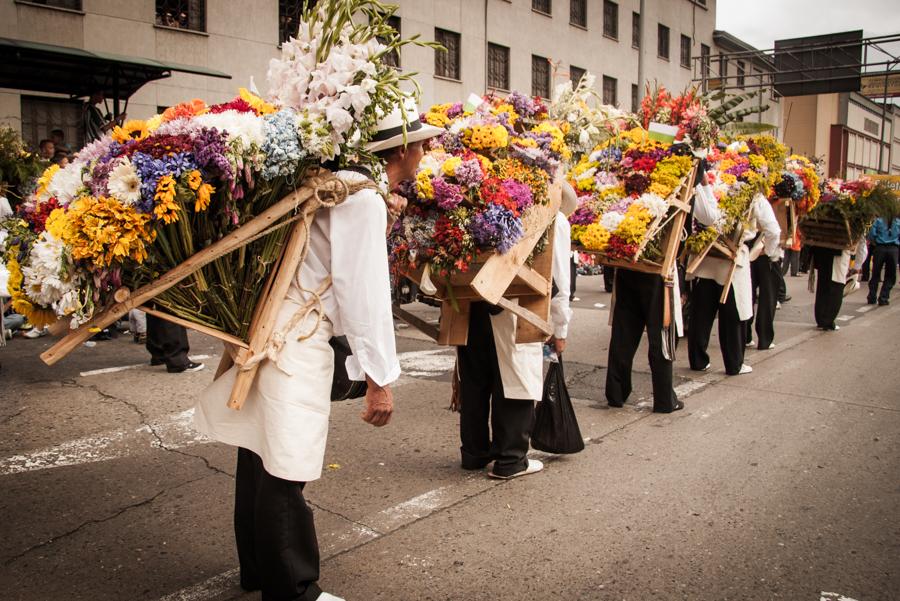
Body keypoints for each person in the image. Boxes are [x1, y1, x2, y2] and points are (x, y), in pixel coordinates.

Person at [193, 99, 442, 601]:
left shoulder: (327, 178)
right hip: (299, 336)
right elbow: (364, 294)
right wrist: (379, 380)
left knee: (258, 451)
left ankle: (258, 570)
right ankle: (293, 589)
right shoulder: (363, 198)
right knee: (288, 459)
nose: (427, 148)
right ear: (403, 150)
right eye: (421, 141)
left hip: (269, 324)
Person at [457, 183, 576, 480]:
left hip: (473, 299)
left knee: (475, 378)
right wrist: (560, 328)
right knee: (515, 376)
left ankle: (474, 453)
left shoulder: (483, 206)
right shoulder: (553, 217)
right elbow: (558, 278)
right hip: (514, 304)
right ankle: (510, 459)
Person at [687, 184, 780, 375]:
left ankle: (697, 360)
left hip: (706, 256)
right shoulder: (753, 194)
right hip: (733, 258)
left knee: (701, 313)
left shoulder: (715, 184)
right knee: (733, 314)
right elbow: (773, 230)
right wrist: (770, 252)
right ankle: (734, 363)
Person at [742, 207, 785, 350]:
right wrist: (769, 251)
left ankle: (745, 336)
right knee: (768, 299)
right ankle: (764, 339)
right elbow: (774, 231)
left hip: (749, 251)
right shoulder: (762, 200)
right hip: (767, 255)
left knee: (748, 295)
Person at [810, 237, 868, 330]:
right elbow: (862, 244)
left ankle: (821, 320)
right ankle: (828, 321)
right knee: (837, 287)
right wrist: (857, 266)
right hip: (839, 253)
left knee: (823, 286)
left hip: (823, 251)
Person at [866, 213, 900, 306]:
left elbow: (871, 235)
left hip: (879, 248)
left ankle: (872, 296)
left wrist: (876, 242)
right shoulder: (898, 222)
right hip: (893, 249)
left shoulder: (879, 220)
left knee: (875, 273)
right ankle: (884, 297)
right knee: (890, 275)